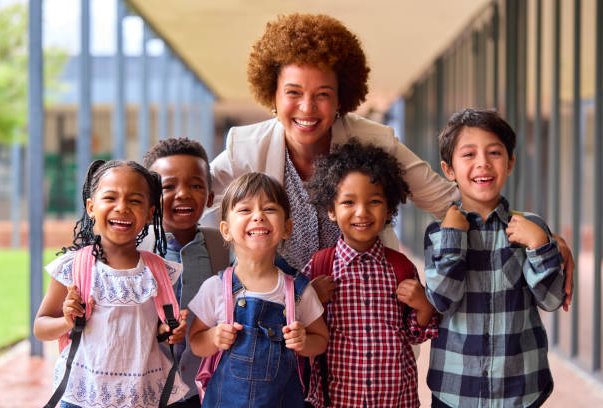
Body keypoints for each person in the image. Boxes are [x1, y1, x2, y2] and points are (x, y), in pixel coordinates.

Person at [204, 13, 574, 309]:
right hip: (280, 310)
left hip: (362, 310)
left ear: (341, 99)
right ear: (272, 93)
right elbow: (191, 197)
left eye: (323, 94)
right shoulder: (246, 146)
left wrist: (536, 235)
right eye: (293, 93)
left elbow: (449, 201)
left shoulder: (372, 139)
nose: (307, 108)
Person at [424, 109, 565, 407]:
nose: (483, 163)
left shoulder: (532, 228)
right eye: (469, 154)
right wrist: (453, 238)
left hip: (522, 390)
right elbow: (442, 301)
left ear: (510, 163)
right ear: (448, 169)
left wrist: (540, 244)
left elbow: (552, 299)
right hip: (455, 391)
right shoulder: (439, 233)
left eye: (494, 152)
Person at [33, 160, 189, 408]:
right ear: (91, 207)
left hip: (143, 394)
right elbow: (40, 327)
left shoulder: (158, 271)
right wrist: (66, 320)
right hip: (83, 395)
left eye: (135, 201)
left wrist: (170, 331)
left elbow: (156, 331)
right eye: (110, 198)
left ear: (150, 213)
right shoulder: (73, 267)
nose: (122, 207)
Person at [303, 140, 438, 407]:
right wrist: (310, 299)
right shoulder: (320, 267)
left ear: (389, 210)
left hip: (396, 400)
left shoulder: (400, 267)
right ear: (331, 210)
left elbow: (414, 334)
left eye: (374, 202)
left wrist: (423, 304)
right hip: (337, 400)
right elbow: (300, 331)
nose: (362, 212)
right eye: (349, 202)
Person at [188, 172, 329, 407]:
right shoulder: (215, 288)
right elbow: (195, 342)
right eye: (245, 210)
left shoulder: (298, 291)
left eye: (269, 209)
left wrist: (304, 341)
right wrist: (213, 337)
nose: (258, 216)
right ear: (226, 230)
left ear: (286, 227)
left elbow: (321, 339)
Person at [141, 138, 230, 407]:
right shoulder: (132, 252)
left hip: (202, 391)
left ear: (210, 197)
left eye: (195, 185)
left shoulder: (223, 249)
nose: (183, 194)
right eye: (168, 186)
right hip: (145, 391)